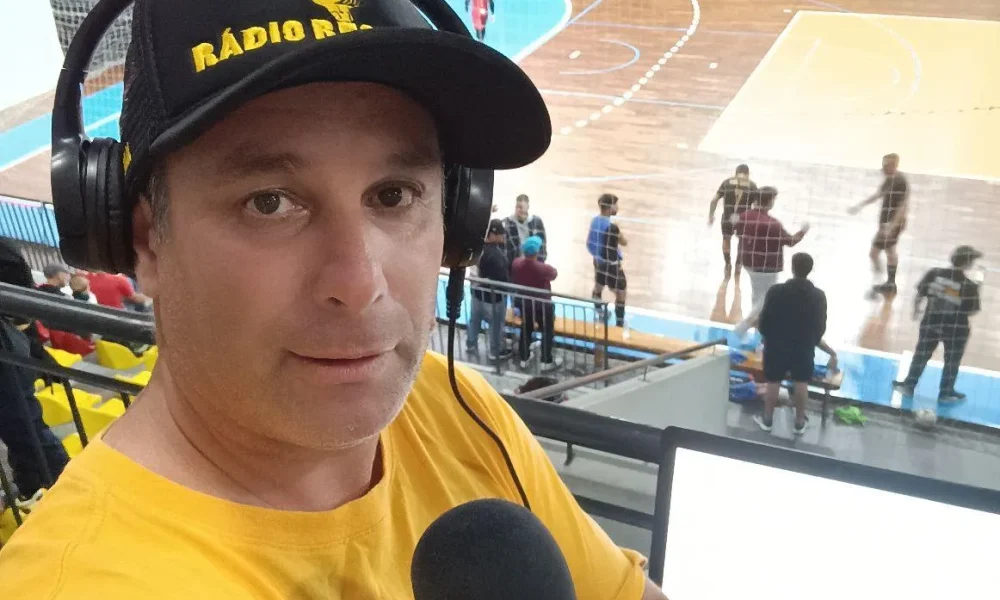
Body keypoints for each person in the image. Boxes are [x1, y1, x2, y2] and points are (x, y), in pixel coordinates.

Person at [0, 1, 667, 598]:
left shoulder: (451, 408)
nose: (359, 283)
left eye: (393, 195)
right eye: (269, 203)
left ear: (457, 217)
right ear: (145, 242)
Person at [0, 241, 69, 499]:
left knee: (23, 428)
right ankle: (60, 488)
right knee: (25, 428)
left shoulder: (7, 256)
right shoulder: (8, 255)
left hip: (10, 353)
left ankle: (39, 486)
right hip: (9, 358)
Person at [893, 246, 983, 402]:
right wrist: (978, 289)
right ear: (967, 263)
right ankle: (946, 392)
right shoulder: (969, 285)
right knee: (952, 360)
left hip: (931, 323)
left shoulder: (934, 273)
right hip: (956, 329)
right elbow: (972, 311)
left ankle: (909, 385)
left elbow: (920, 293)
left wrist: (916, 310)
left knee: (921, 354)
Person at [754, 252, 828, 435]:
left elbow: (764, 319)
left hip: (776, 344)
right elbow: (820, 325)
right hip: (803, 346)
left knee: (773, 381)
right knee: (801, 382)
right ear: (810, 270)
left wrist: (767, 336)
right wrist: (811, 341)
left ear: (792, 267)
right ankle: (799, 423)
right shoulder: (819, 296)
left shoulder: (776, 291)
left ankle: (767, 420)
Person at [732, 186, 809, 336]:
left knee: (757, 295)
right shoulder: (773, 224)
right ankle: (743, 327)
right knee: (765, 299)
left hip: (748, 263)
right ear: (770, 201)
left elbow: (736, 230)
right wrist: (803, 231)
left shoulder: (744, 216)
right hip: (767, 267)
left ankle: (757, 328)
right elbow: (790, 241)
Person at [848, 153, 908, 295]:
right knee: (884, 252)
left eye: (886, 165)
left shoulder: (900, 182)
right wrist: (860, 205)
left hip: (892, 224)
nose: (883, 168)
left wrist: (892, 226)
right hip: (886, 224)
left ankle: (885, 282)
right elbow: (878, 194)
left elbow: (902, 207)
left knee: (880, 252)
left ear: (893, 165)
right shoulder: (890, 179)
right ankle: (888, 282)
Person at [511, 236, 562, 372]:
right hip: (543, 306)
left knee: (526, 329)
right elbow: (554, 274)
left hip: (525, 304)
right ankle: (546, 360)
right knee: (547, 331)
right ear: (537, 252)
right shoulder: (543, 268)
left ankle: (524, 358)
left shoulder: (516, 264)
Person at [467, 219, 511, 361]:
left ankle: (471, 344)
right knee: (495, 326)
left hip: (476, 294)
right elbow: (503, 279)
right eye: (499, 234)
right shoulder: (496, 255)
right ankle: (495, 351)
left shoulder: (477, 248)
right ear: (492, 235)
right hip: (493, 299)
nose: (502, 236)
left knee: (474, 321)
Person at [708, 164, 757, 278]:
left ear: (736, 173)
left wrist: (711, 215)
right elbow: (756, 205)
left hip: (727, 218)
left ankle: (727, 264)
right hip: (743, 220)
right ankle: (738, 265)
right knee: (742, 242)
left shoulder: (726, 182)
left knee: (726, 240)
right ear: (748, 173)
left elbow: (714, 200)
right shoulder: (752, 185)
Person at [587, 193, 628, 327]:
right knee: (621, 293)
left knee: (598, 288)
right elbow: (624, 242)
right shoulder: (611, 227)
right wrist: (619, 233)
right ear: (610, 207)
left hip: (598, 262)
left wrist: (596, 256)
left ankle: (600, 313)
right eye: (615, 205)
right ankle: (619, 324)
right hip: (612, 265)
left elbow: (589, 243)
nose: (617, 207)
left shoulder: (594, 221)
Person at [503, 193, 547, 268]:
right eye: (517, 207)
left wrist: (539, 265)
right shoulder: (507, 223)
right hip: (514, 266)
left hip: (534, 264)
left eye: (521, 207)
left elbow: (542, 246)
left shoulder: (536, 222)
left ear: (528, 207)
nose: (519, 210)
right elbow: (505, 250)